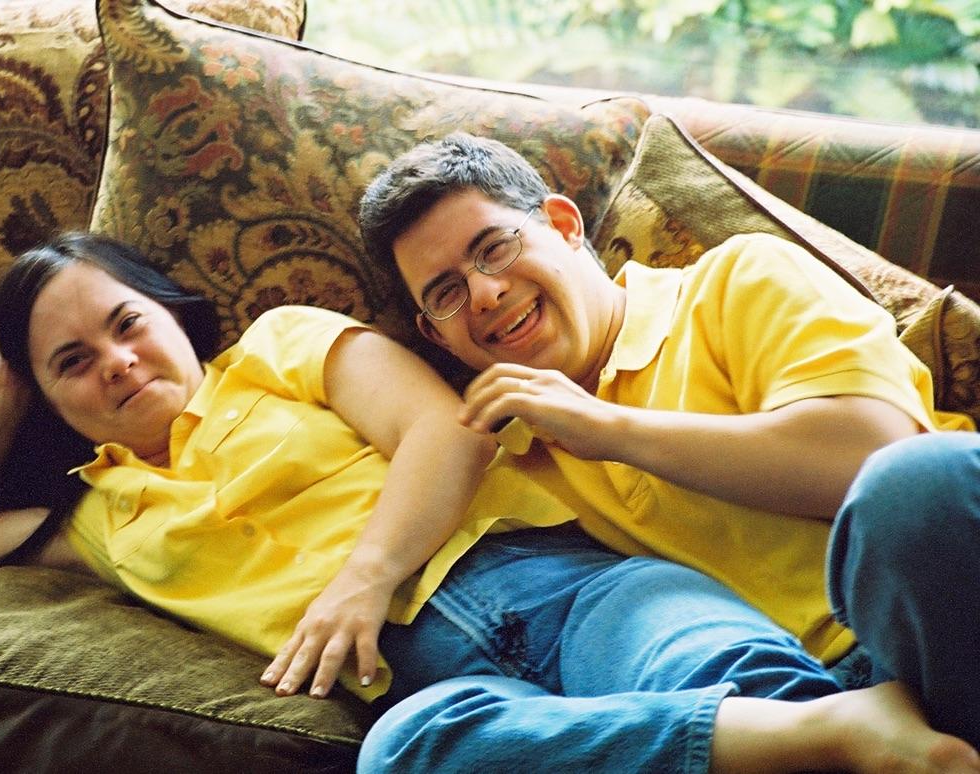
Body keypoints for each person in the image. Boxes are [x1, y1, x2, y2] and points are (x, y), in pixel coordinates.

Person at [0, 232, 978, 773]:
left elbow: (442, 431)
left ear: (173, 314)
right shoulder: (95, 518)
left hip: (568, 584)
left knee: (707, 667)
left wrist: (364, 578)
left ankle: (837, 732)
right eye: (72, 364)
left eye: (126, 323)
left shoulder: (278, 346)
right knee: (408, 752)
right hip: (430, 676)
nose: (118, 363)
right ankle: (840, 733)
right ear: (52, 400)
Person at [357, 131, 980, 764]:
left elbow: (868, 454)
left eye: (494, 249)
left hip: (925, 631)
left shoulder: (737, 279)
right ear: (437, 337)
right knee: (408, 744)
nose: (485, 294)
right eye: (446, 293)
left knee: (919, 482)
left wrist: (608, 428)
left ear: (564, 226)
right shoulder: (504, 457)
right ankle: (832, 742)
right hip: (760, 716)